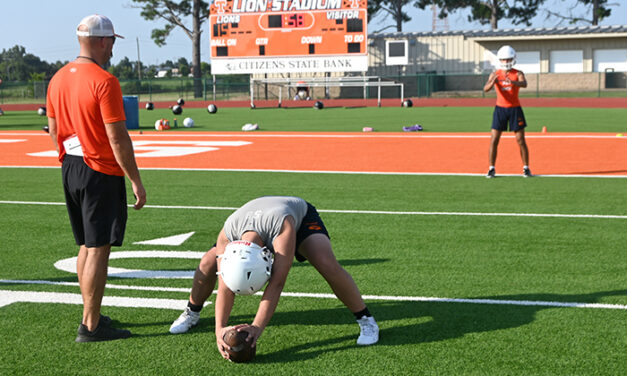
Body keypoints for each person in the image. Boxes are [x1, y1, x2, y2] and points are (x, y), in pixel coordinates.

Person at [169, 196, 379, 358]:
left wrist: (257, 328)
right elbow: (224, 286)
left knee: (324, 261)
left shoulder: (283, 229)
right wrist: (219, 330)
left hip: (296, 217)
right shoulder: (227, 234)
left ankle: (366, 319)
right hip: (249, 223)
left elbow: (277, 283)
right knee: (207, 262)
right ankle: (192, 312)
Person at [46, 14, 146, 342]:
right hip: (99, 170)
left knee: (86, 246)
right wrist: (135, 179)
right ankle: (90, 325)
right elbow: (117, 137)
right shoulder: (105, 81)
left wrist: (66, 159)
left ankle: (91, 312)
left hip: (71, 167)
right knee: (99, 247)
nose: (113, 47)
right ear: (103, 41)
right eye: (112, 41)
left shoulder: (58, 78)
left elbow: (54, 130)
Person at [483, 45, 532, 178]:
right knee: (494, 139)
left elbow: (524, 84)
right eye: (503, 59)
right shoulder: (495, 74)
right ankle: (491, 168)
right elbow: (485, 89)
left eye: (508, 59)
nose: (506, 62)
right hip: (500, 109)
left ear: (513, 59)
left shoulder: (518, 73)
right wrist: (492, 82)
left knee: (520, 140)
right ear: (500, 60)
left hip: (515, 109)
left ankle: (526, 167)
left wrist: (513, 82)